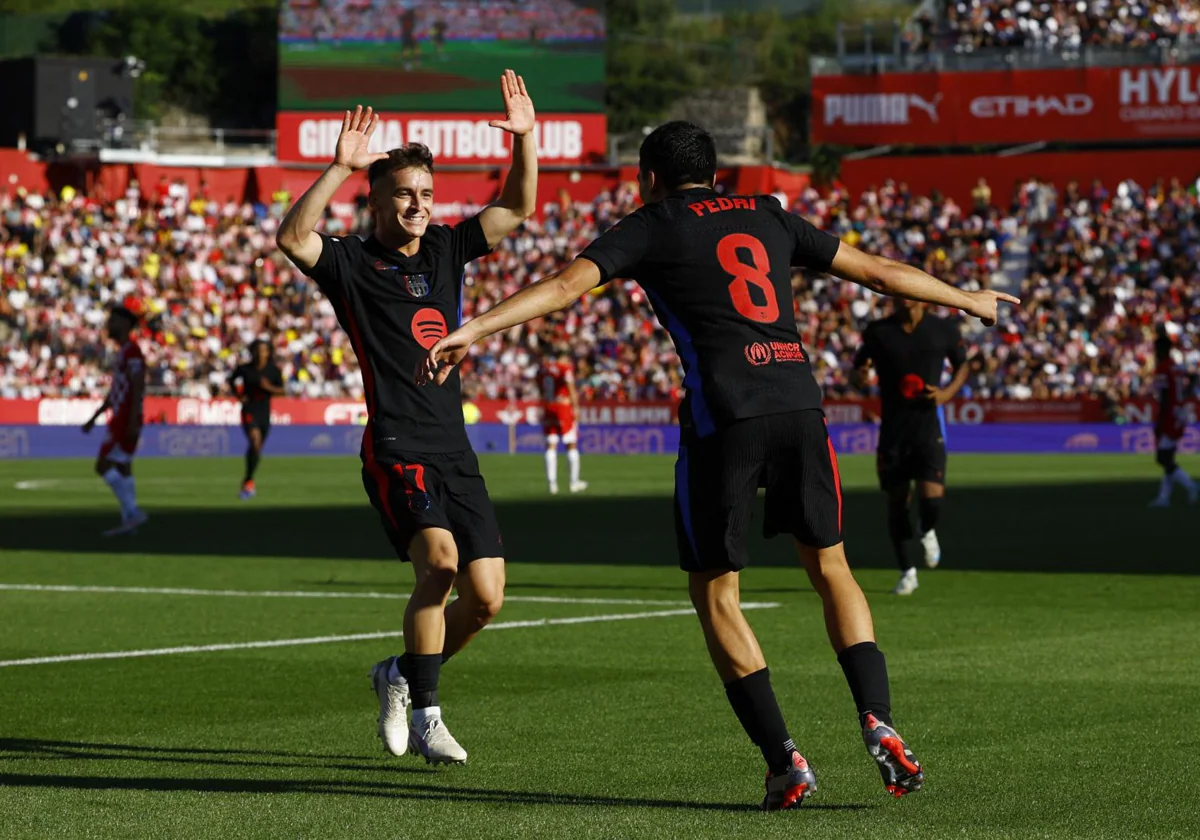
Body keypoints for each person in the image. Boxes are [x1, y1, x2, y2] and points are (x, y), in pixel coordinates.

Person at [423, 121, 1018, 809]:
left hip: (724, 416)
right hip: (799, 403)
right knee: (832, 568)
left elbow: (563, 287)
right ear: (715, 169)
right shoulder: (766, 213)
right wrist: (968, 298)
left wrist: (471, 328)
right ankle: (876, 716)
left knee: (716, 593)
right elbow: (882, 275)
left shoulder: (650, 224)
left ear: (650, 177)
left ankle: (784, 761)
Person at [275, 70, 537, 766]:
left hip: (455, 447)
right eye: (404, 194)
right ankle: (427, 713)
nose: (419, 204)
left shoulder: (450, 248)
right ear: (379, 201)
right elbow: (292, 237)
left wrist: (526, 139)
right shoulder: (352, 264)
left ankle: (400, 673)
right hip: (395, 442)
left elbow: (516, 207)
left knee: (486, 599)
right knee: (440, 565)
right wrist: (337, 167)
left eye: (426, 193)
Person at [852, 300, 968, 595]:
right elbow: (859, 369)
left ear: (923, 296)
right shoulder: (879, 331)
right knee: (897, 502)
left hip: (929, 428)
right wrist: (860, 377)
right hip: (893, 431)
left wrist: (946, 394)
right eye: (898, 290)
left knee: (932, 500)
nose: (904, 296)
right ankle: (907, 571)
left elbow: (962, 366)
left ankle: (926, 529)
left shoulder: (942, 329)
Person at [81, 305, 148, 537]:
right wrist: (95, 416)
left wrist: (132, 420)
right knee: (123, 466)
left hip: (125, 417)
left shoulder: (132, 352)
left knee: (102, 465)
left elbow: (138, 385)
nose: (109, 325)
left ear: (126, 325)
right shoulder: (123, 352)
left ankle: (132, 511)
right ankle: (130, 523)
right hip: (120, 415)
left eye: (114, 321)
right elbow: (116, 391)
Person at [229, 339, 285, 500]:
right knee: (254, 440)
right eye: (258, 350)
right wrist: (239, 395)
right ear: (253, 352)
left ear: (269, 352)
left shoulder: (273, 370)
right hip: (249, 409)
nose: (261, 353)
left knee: (257, 448)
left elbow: (282, 391)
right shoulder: (245, 369)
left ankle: (248, 478)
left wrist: (269, 388)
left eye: (264, 350)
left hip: (264, 413)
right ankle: (248, 482)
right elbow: (232, 380)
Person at [1149, 323, 1197, 507]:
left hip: (1169, 415)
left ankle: (1191, 486)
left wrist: (1160, 422)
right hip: (1179, 413)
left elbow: (1164, 397)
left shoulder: (1163, 369)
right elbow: (1184, 389)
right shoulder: (1175, 367)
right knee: (1169, 458)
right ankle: (1164, 498)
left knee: (1162, 458)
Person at [541, 350, 586, 494]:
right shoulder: (565, 368)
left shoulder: (546, 368)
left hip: (549, 405)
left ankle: (552, 484)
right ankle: (574, 483)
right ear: (564, 358)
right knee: (571, 444)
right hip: (563, 407)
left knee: (551, 444)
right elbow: (570, 387)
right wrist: (576, 407)